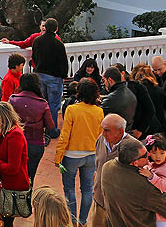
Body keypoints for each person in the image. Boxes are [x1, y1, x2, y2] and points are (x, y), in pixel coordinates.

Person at [54, 78, 103, 226]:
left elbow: (65, 135)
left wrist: (58, 157)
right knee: (87, 190)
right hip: (91, 154)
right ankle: (82, 221)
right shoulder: (99, 111)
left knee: (69, 189)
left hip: (72, 156)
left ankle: (73, 220)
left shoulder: (72, 109)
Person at [100, 140, 166, 227]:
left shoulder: (107, 167)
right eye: (145, 155)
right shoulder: (143, 185)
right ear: (135, 162)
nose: (149, 155)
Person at [0, 102, 29, 227]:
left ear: (2, 118)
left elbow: (12, 168)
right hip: (6, 187)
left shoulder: (15, 135)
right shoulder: (8, 133)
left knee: (5, 221)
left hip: (11, 188)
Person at [90, 113, 141, 227]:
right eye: (102, 129)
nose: (103, 134)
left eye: (107, 130)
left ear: (120, 132)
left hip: (120, 208)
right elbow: (97, 166)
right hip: (100, 201)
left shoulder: (135, 148)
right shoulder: (101, 140)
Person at [8, 73, 54, 187]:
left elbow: (6, 121)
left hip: (15, 142)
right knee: (30, 177)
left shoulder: (13, 100)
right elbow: (51, 126)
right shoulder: (42, 104)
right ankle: (27, 201)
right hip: (35, 144)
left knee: (14, 175)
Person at [31, 18, 68, 132]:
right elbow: (63, 62)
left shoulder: (37, 41)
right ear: (56, 29)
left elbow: (34, 57)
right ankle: (52, 129)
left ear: (45, 27)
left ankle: (41, 128)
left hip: (39, 75)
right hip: (54, 77)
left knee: (42, 103)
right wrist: (63, 76)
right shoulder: (58, 44)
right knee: (53, 105)